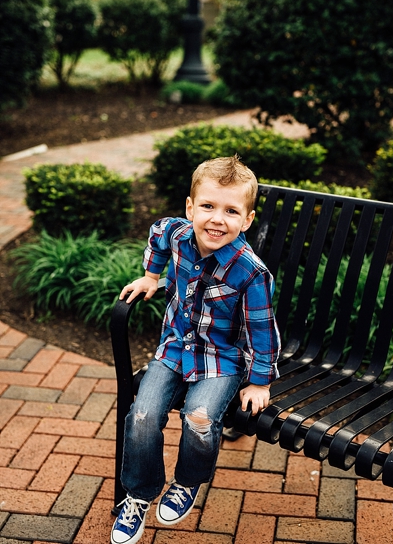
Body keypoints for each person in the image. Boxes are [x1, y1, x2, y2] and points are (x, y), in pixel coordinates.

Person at [110, 156, 280, 544]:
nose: (217, 219)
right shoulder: (178, 234)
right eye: (208, 206)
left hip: (223, 360)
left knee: (200, 418)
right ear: (191, 207)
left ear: (247, 220)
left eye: (231, 211)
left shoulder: (250, 272)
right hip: (175, 348)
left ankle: (187, 482)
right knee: (142, 416)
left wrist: (258, 382)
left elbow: (262, 331)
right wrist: (152, 275)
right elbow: (157, 232)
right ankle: (138, 494)